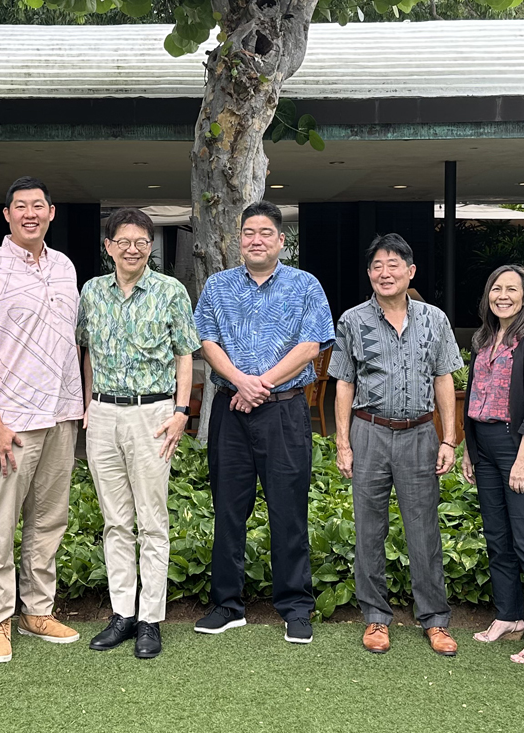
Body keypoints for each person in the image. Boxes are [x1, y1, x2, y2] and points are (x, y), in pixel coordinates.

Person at [0, 176, 83, 664]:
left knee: (49, 521)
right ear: (6, 215)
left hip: (61, 413)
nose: (30, 213)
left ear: (52, 212)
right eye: (20, 206)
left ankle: (37, 610)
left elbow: (72, 342)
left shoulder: (66, 268)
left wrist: (80, 403)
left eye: (39, 206)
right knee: (1, 526)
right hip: (11, 421)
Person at [192, 200, 334, 644]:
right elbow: (206, 340)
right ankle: (226, 604)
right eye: (249, 233)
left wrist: (262, 385)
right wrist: (240, 381)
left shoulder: (304, 285)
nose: (256, 239)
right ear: (240, 241)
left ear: (281, 241)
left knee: (288, 510)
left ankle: (295, 606)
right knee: (229, 509)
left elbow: (312, 346)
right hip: (230, 411)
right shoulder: (217, 286)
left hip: (285, 410)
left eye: (265, 233)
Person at [330, 234, 463, 656]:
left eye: (393, 265)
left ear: (411, 271)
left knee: (423, 529)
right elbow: (344, 383)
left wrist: (449, 437)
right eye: (376, 266)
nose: (384, 273)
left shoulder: (435, 320)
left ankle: (435, 620)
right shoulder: (352, 320)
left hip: (421, 434)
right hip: (368, 432)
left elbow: (445, 378)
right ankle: (375, 617)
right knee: (369, 529)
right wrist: (343, 443)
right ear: (369, 274)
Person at [77, 208, 199, 659]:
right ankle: (122, 613)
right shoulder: (91, 292)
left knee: (152, 521)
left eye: (141, 242)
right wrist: (88, 402)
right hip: (104, 415)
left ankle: (150, 619)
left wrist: (182, 410)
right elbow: (85, 349)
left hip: (154, 415)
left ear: (151, 246)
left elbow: (186, 353)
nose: (132, 249)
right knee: (115, 522)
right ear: (108, 246)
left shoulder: (170, 292)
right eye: (123, 241)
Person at [461, 266, 524, 665]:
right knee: (497, 537)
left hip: (516, 447)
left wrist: (523, 458)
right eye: (496, 288)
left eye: (512, 290)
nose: (503, 295)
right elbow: (472, 396)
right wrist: (469, 449)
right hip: (483, 446)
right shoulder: (482, 338)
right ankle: (509, 615)